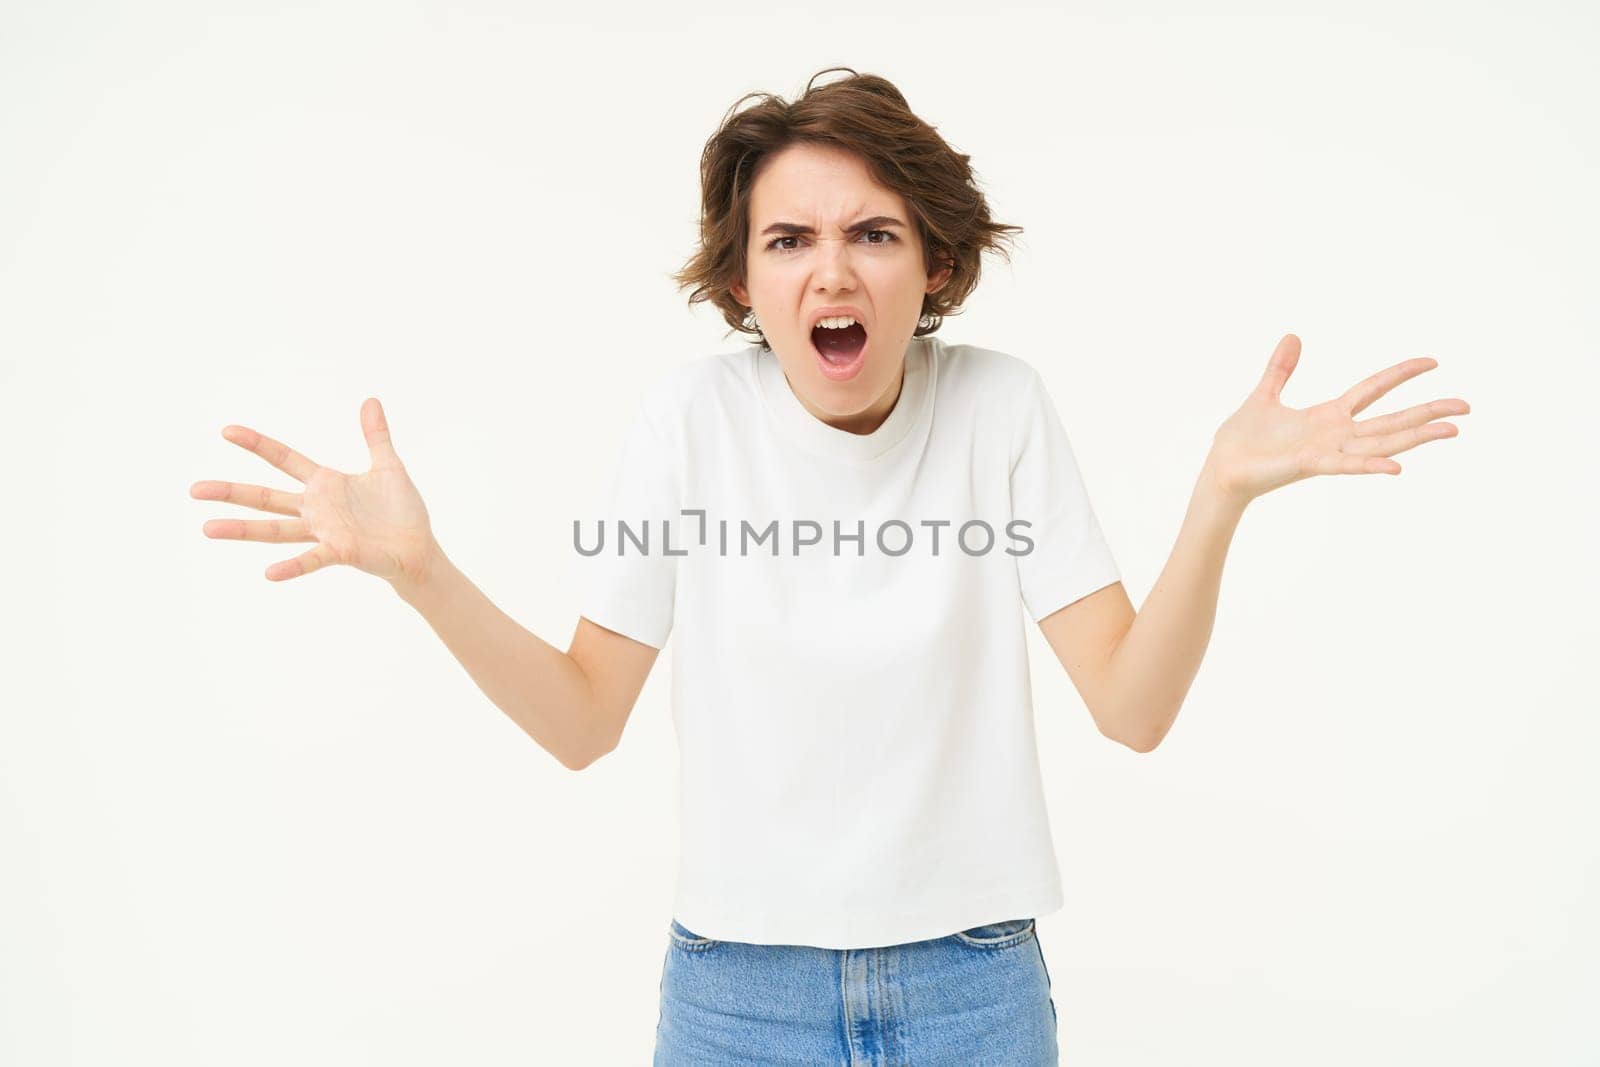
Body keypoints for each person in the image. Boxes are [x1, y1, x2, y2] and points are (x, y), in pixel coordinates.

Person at [190, 67, 1468, 1066]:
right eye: (789, 241)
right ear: (743, 281)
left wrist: (1219, 495)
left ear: (936, 267)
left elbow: (1130, 708)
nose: (832, 270)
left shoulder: (999, 410)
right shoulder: (688, 422)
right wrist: (422, 571)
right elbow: (584, 719)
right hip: (737, 994)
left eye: (873, 234)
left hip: (973, 982)